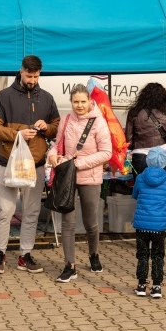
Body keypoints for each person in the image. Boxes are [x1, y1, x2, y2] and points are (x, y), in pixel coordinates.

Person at [0, 55, 60, 274]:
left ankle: (25, 255)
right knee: (5, 210)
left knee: (31, 212)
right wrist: (16, 134)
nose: (33, 80)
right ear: (21, 71)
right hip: (7, 163)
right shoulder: (4, 96)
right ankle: (0, 253)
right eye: (29, 76)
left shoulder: (47, 98)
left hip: (36, 164)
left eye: (36, 76)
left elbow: (57, 127)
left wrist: (46, 127)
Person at [47, 84, 111, 282]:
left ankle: (93, 254)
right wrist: (52, 156)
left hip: (90, 178)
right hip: (67, 177)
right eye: (76, 101)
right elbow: (57, 145)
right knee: (68, 223)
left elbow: (106, 153)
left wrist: (78, 164)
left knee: (91, 223)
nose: (80, 105)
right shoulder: (65, 119)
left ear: (90, 101)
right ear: (71, 102)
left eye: (83, 101)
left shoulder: (99, 122)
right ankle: (70, 266)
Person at [131, 147, 166, 298]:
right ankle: (156, 286)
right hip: (159, 226)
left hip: (142, 224)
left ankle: (141, 285)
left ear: (148, 160)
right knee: (158, 255)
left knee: (142, 255)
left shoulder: (141, 178)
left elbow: (135, 194)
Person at [125, 83, 166, 181]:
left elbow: (128, 139)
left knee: (141, 189)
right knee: (158, 188)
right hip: (160, 155)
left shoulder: (134, 112)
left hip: (140, 155)